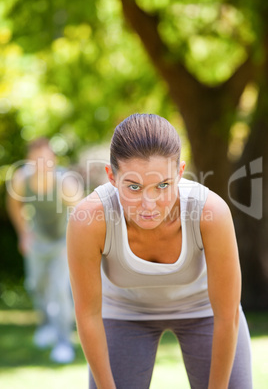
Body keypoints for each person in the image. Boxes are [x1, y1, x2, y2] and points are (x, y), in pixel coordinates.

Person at [67, 114, 253, 388]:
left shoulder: (209, 212)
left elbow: (227, 315)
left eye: (163, 185)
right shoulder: (89, 219)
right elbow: (88, 315)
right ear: (111, 177)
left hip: (205, 311)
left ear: (180, 173)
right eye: (133, 187)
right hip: (124, 312)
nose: (149, 204)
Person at [6, 137, 83, 364]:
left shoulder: (64, 182)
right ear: (29, 160)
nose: (42, 163)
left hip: (62, 241)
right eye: (37, 159)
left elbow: (80, 215)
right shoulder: (22, 179)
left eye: (46, 158)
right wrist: (24, 234)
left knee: (60, 290)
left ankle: (63, 344)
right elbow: (14, 205)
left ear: (53, 159)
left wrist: (71, 245)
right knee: (36, 285)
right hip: (37, 240)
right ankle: (47, 326)